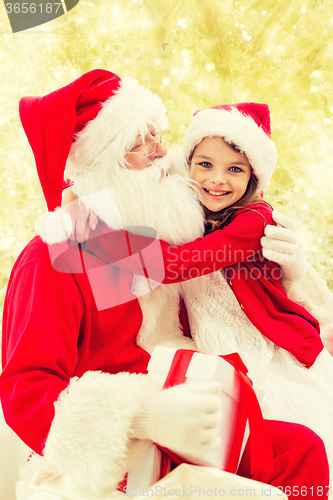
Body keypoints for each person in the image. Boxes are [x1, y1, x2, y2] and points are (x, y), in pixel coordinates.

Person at [0, 71, 330, 500]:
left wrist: (293, 274)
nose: (162, 151)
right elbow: (26, 389)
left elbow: (234, 284)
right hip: (118, 447)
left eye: (158, 135)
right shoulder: (55, 256)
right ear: (105, 164)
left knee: (301, 451)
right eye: (141, 143)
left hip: (192, 418)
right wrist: (144, 416)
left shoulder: (157, 233)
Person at [82, 102, 333, 483]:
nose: (217, 179)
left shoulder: (255, 219)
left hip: (268, 348)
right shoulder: (187, 212)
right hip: (212, 347)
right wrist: (85, 209)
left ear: (253, 178)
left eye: (235, 169)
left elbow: (180, 265)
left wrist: (102, 236)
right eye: (205, 165)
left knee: (292, 431)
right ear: (188, 164)